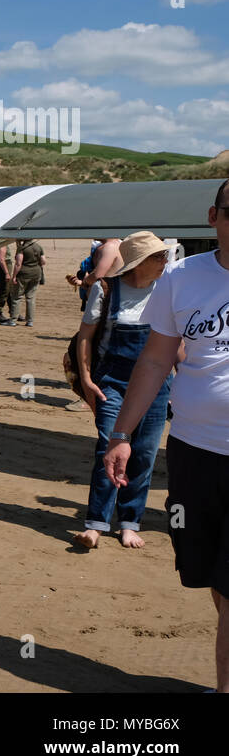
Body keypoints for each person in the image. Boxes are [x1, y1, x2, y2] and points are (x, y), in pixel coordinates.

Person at [103, 181, 229, 692]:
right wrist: (121, 433)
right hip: (196, 452)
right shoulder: (182, 277)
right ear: (213, 216)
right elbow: (155, 360)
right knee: (210, 579)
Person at [72, 232, 174, 550]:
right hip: (112, 383)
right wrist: (87, 379)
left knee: (143, 452)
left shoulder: (167, 289)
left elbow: (177, 343)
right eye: (159, 257)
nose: (166, 261)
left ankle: (129, 523)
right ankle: (96, 524)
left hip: (157, 386)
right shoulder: (106, 289)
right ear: (139, 262)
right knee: (109, 447)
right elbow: (86, 336)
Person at [7, 237, 47, 327]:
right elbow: (43, 261)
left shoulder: (22, 248)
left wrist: (14, 276)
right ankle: (30, 321)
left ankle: (13, 319)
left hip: (23, 274)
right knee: (31, 298)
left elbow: (18, 263)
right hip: (36, 273)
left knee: (17, 297)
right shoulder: (38, 247)